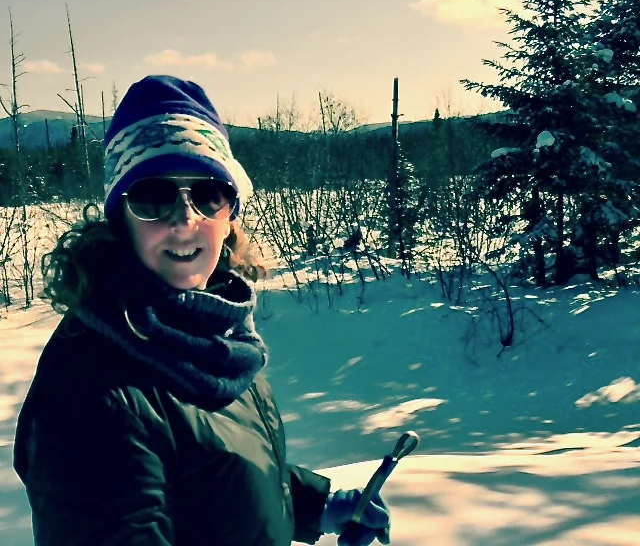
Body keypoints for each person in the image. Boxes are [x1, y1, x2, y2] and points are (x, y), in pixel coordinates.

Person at [13, 75, 391, 546]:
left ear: (230, 212)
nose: (185, 218)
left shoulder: (217, 335)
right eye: (154, 195)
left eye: (209, 194)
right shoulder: (93, 394)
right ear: (120, 217)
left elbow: (210, 466)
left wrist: (312, 502)